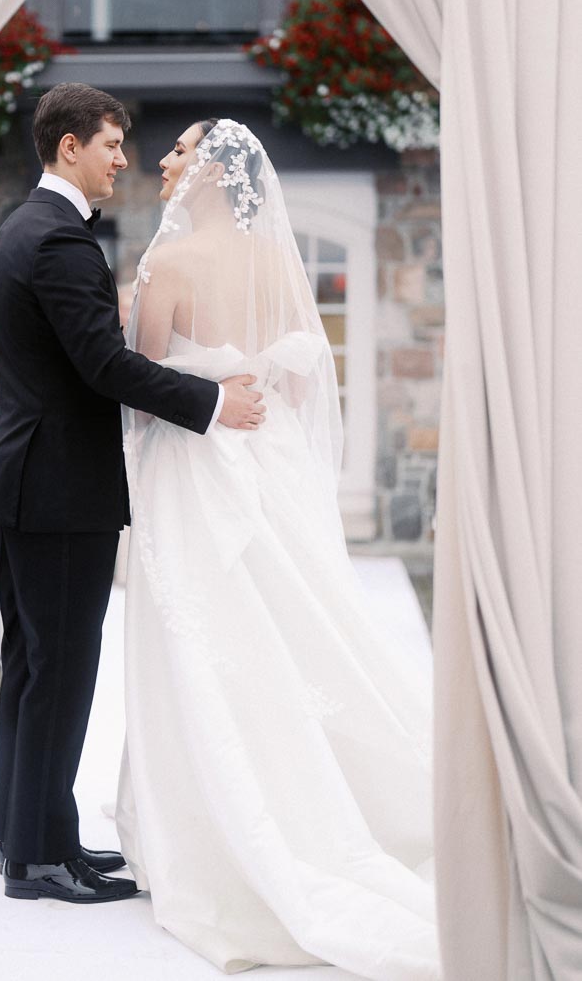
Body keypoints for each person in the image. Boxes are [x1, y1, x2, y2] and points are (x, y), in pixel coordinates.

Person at [116, 118, 440, 979]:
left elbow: (144, 393)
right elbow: (295, 384)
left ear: (213, 173)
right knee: (294, 624)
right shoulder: (275, 262)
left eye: (180, 151)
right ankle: (339, 801)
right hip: (270, 461)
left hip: (194, 473)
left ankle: (205, 828)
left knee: (197, 639)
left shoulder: (167, 265)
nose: (163, 160)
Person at [0, 84, 265, 907]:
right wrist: (212, 403)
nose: (121, 160)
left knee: (34, 669)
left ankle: (33, 839)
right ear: (70, 148)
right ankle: (40, 862)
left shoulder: (22, 228)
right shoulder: (61, 241)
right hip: (61, 490)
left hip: (31, 480)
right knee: (59, 674)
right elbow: (104, 367)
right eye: (108, 144)